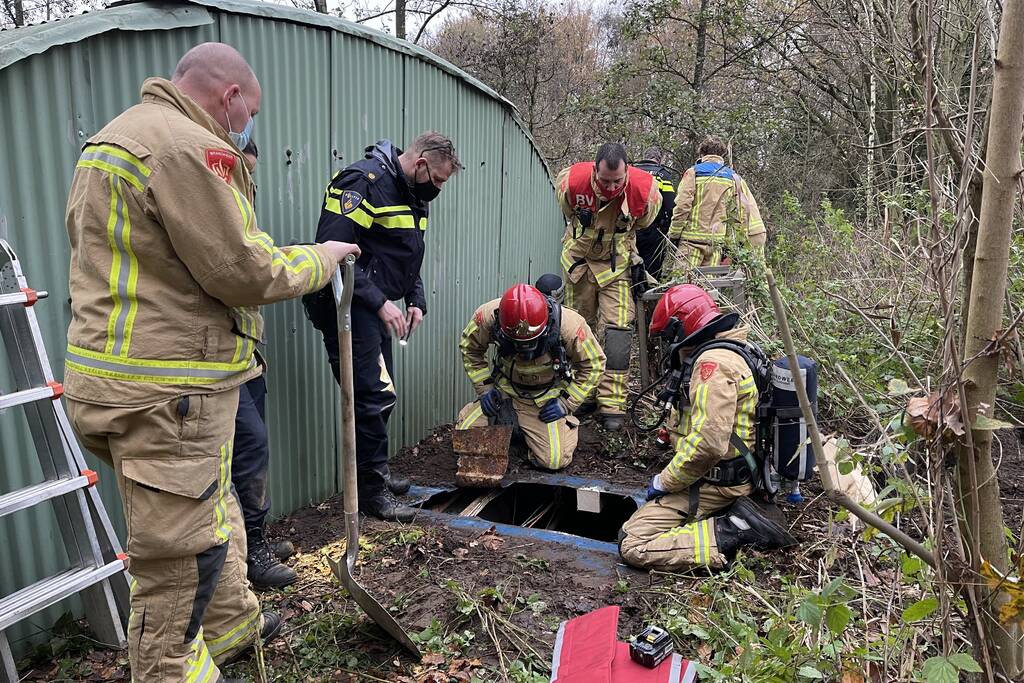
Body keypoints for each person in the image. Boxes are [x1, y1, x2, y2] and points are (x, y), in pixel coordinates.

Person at [63, 43, 360, 682]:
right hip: (169, 390)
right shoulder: (185, 147)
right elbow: (241, 270)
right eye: (248, 111)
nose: (246, 124)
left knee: (211, 503)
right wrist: (322, 259)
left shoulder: (114, 140)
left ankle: (231, 623)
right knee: (177, 562)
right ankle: (173, 668)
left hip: (126, 381)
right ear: (230, 98)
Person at [305, 132, 461, 522]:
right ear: (421, 162)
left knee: (379, 394)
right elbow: (333, 254)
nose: (439, 188)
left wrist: (416, 300)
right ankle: (372, 493)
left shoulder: (413, 193)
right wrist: (379, 303)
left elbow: (407, 254)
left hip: (376, 308)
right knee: (373, 395)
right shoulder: (362, 183)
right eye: (439, 179)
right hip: (349, 305)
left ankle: (374, 474)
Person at [618, 285, 795, 571]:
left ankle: (734, 528)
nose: (667, 345)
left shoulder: (711, 364)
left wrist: (664, 482)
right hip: (737, 474)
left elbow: (709, 443)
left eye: (667, 337)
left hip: (720, 484)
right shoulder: (732, 350)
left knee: (632, 542)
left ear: (680, 329)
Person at [556, 143, 662, 431]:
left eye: (618, 181)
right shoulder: (570, 183)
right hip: (579, 266)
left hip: (617, 269)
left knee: (617, 332)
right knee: (577, 331)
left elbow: (645, 221)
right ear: (594, 170)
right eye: (605, 181)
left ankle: (612, 402)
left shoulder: (646, 191)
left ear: (627, 171)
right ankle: (582, 393)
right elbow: (566, 211)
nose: (612, 187)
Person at [231, 137, 298, 589]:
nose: (247, 182)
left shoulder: (239, 209)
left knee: (252, 450)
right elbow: (252, 274)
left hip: (244, 353)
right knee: (248, 447)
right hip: (209, 364)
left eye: (251, 174)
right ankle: (249, 552)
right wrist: (319, 259)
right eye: (242, 172)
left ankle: (256, 536)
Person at [455, 279, 606, 470]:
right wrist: (485, 389)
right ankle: (511, 427)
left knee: (553, 461)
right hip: (504, 392)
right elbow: (470, 348)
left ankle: (542, 433)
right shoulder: (487, 317)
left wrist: (566, 402)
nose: (524, 351)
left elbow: (594, 363)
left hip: (544, 399)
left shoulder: (569, 326)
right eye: (517, 344)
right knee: (464, 439)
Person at [667, 136, 766, 271]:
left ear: (701, 153)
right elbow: (738, 213)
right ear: (722, 154)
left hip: (691, 242)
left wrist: (674, 234)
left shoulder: (693, 173)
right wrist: (731, 243)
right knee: (710, 288)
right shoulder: (733, 177)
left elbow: (682, 206)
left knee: (683, 284)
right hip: (716, 243)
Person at [633, 148, 677, 279]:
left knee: (631, 263)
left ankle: (633, 293)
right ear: (659, 159)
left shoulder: (631, 172)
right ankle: (649, 295)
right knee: (653, 266)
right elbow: (670, 204)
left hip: (631, 227)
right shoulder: (663, 175)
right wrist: (668, 227)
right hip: (654, 228)